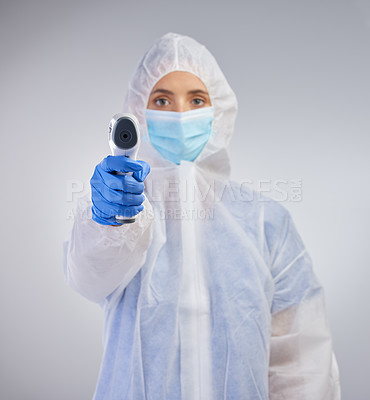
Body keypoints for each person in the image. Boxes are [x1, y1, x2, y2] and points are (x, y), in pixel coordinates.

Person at [63, 32, 341, 399]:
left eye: (196, 100)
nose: (180, 114)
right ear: (138, 113)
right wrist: (108, 222)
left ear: (219, 110)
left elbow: (302, 364)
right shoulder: (126, 210)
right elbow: (88, 277)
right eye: (162, 100)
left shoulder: (265, 223)